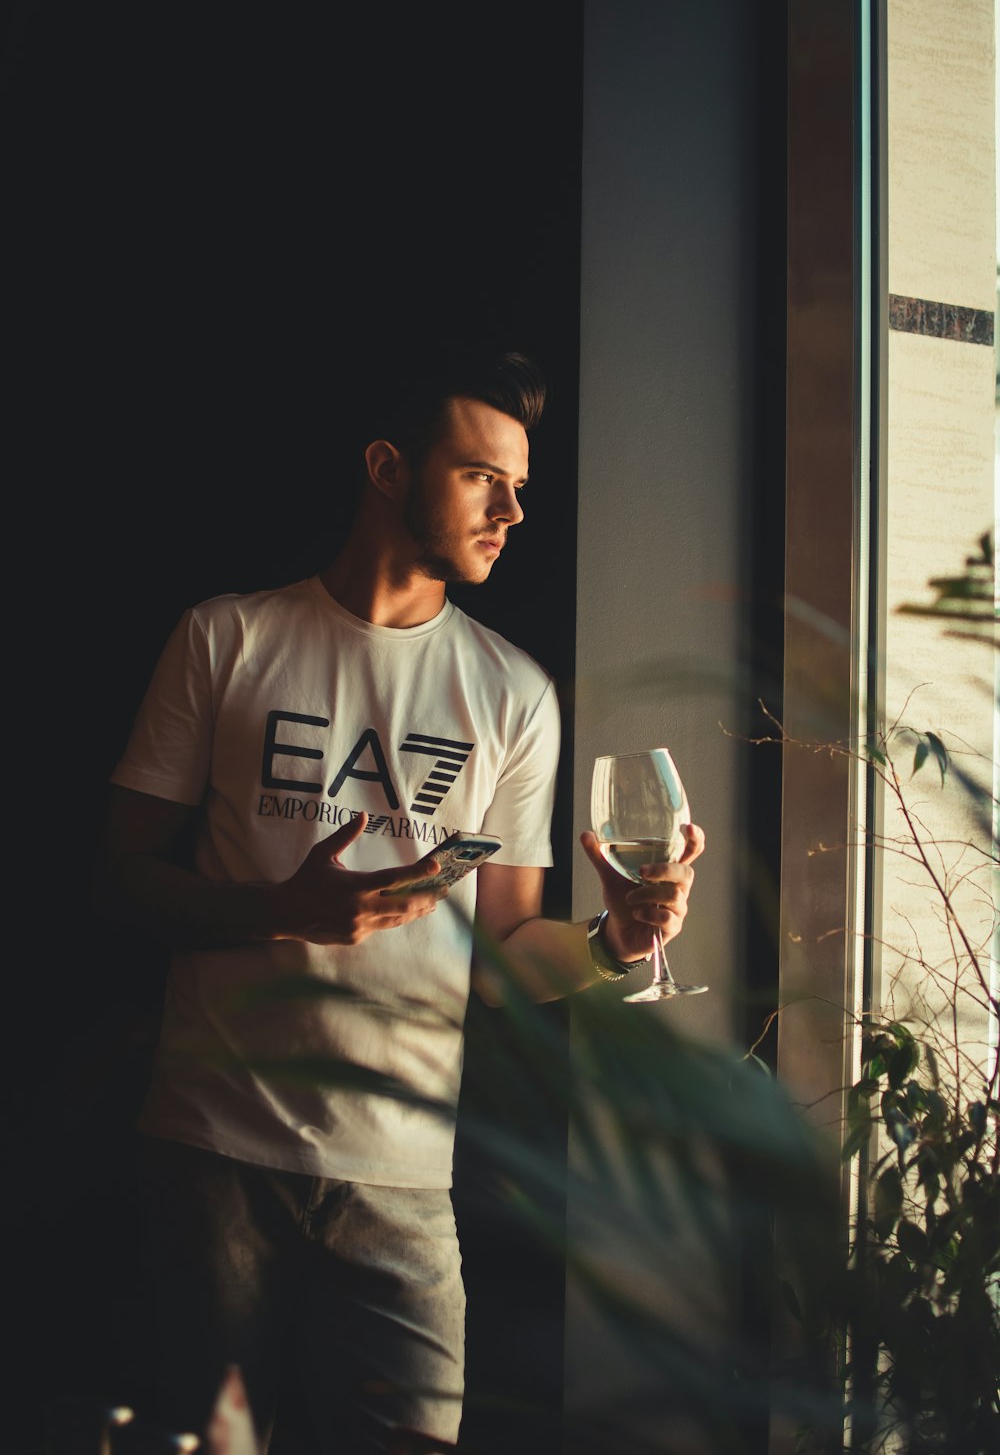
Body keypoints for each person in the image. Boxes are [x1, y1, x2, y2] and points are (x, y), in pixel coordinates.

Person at [99, 343, 704, 1454]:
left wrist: (616, 942)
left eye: (521, 487)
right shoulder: (226, 637)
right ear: (387, 467)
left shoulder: (513, 693)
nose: (513, 512)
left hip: (402, 1178)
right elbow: (123, 878)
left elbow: (507, 958)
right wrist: (285, 912)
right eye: (483, 477)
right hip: (209, 1153)